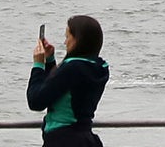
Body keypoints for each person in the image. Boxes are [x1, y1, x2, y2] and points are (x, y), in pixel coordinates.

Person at [28, 15, 111, 147]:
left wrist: (38, 65)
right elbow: (61, 87)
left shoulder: (72, 68)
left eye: (67, 37)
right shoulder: (99, 68)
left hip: (62, 139)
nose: (65, 43)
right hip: (85, 138)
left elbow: (36, 101)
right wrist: (50, 61)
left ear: (78, 40)